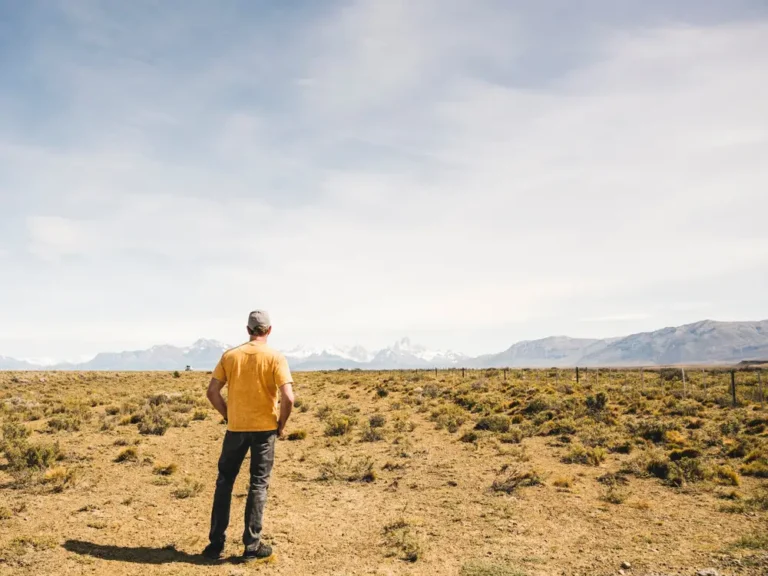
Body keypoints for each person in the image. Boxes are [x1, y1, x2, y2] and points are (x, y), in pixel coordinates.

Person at [201, 310, 295, 563]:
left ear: (247, 329)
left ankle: (215, 544)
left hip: (236, 430)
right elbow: (289, 397)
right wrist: (281, 425)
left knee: (224, 483)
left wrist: (228, 416)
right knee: (258, 485)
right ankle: (251, 547)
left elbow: (212, 392)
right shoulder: (275, 357)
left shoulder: (230, 356)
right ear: (269, 330)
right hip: (264, 430)